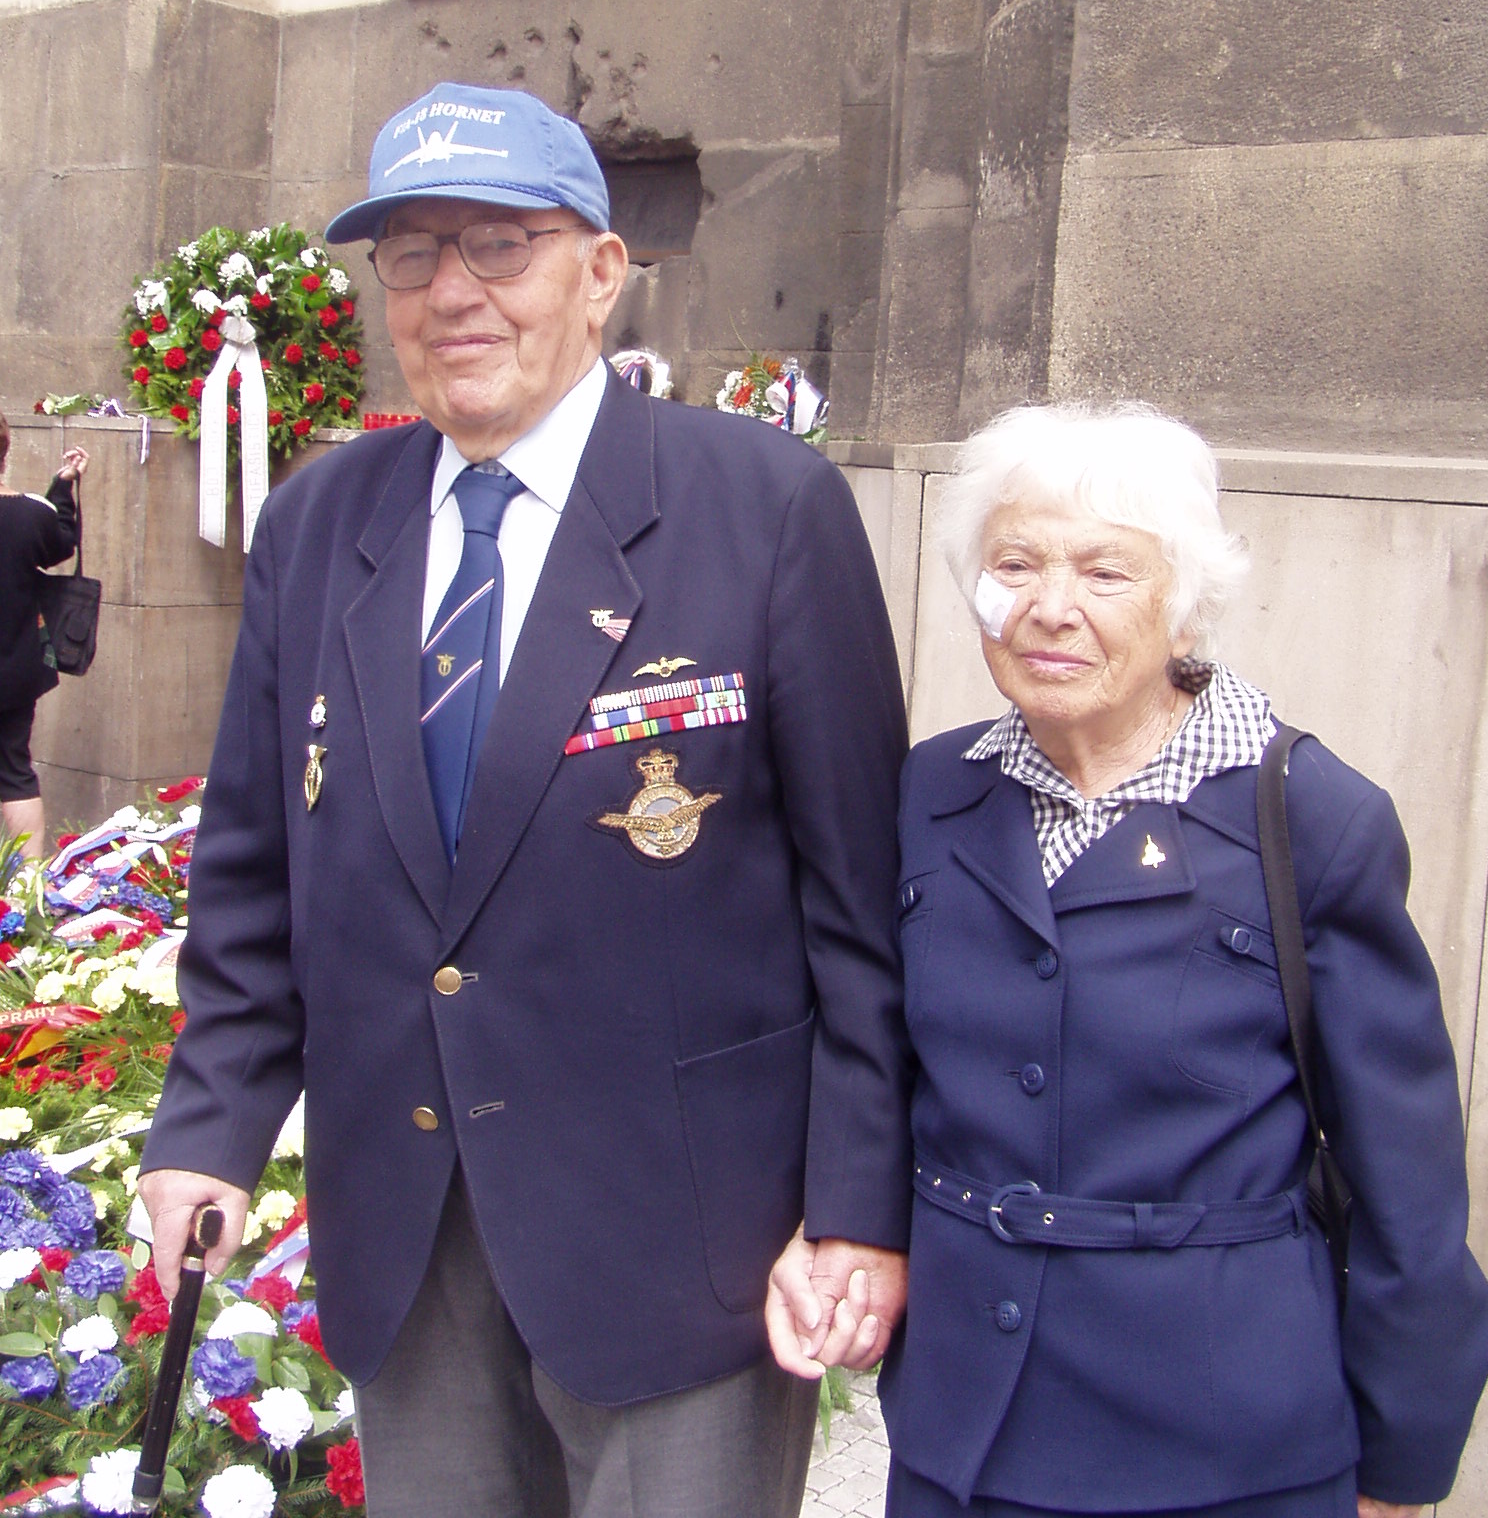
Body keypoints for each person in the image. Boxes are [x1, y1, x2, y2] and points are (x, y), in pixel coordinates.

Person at [139, 84, 911, 1518]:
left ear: (602, 272)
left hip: (682, 1242)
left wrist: (859, 1209)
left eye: (500, 245)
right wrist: (206, 1132)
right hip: (411, 1243)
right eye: (414, 256)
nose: (453, 295)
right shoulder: (321, 522)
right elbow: (252, 875)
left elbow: (861, 911)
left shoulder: (765, 505)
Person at [873, 403, 1488, 1518]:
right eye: (1014, 564)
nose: (1050, 607)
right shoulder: (930, 790)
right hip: (964, 1436)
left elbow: (1406, 1178)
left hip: (1225, 1450)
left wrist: (1403, 1459)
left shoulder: (1308, 816)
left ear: (1185, 609)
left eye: (1106, 572)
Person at [0, 416, 87, 865]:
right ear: (6, 451)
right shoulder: (32, 515)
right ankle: (26, 889)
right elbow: (62, 542)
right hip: (14, 671)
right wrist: (62, 488)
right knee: (13, 772)